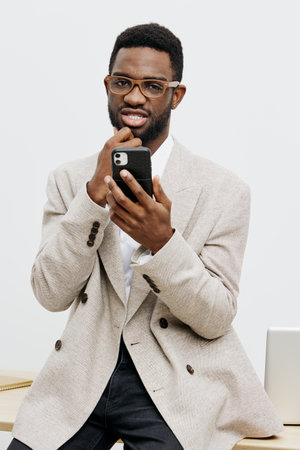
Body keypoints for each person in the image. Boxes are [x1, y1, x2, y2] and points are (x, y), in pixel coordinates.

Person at [8, 23, 283, 450]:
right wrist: (91, 199)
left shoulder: (224, 191)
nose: (134, 98)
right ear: (108, 85)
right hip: (83, 374)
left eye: (152, 86)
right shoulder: (70, 180)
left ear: (176, 95)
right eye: (123, 82)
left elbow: (216, 319)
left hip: (172, 382)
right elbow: (49, 293)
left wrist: (164, 243)